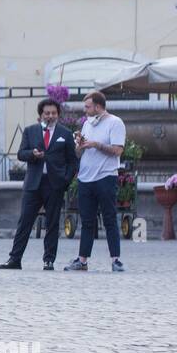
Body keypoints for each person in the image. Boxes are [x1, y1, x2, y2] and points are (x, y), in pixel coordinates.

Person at [0, 98, 78, 270]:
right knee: (25, 221)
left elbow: (73, 161)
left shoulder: (65, 134)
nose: (50, 116)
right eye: (47, 113)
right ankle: (15, 259)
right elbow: (20, 154)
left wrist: (66, 180)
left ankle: (48, 260)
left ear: (58, 115)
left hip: (55, 183)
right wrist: (32, 154)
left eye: (53, 113)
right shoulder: (30, 131)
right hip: (33, 183)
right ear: (41, 115)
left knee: (52, 223)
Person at [65, 91, 126, 273]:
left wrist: (96, 144)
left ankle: (116, 260)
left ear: (98, 106)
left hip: (106, 177)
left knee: (109, 218)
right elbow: (78, 153)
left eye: (88, 107)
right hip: (85, 178)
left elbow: (117, 151)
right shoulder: (86, 124)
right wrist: (80, 144)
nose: (85, 110)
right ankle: (82, 260)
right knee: (87, 221)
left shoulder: (115, 123)